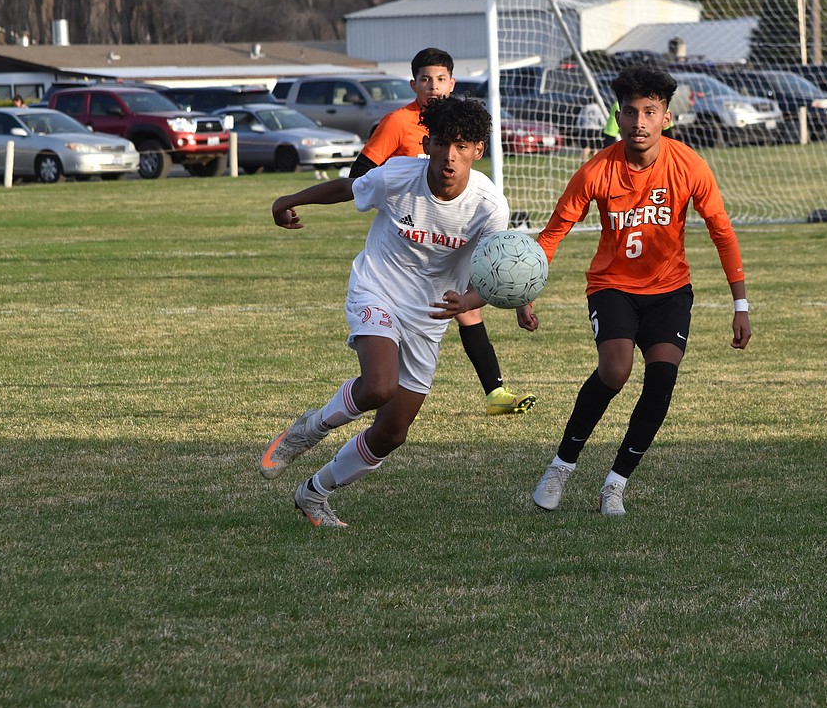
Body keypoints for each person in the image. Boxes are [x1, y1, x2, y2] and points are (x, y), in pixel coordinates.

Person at [260, 96, 510, 527]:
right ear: (428, 143)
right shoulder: (398, 175)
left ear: (477, 151)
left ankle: (314, 493)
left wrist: (471, 300)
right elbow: (347, 187)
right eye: (444, 143)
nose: (451, 156)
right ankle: (307, 430)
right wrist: (286, 199)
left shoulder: (489, 207)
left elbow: (495, 271)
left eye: (463, 145)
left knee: (392, 433)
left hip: (427, 316)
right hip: (377, 288)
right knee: (378, 386)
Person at [518, 66, 751, 516]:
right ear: (618, 117)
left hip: (670, 290)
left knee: (662, 378)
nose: (639, 121)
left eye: (650, 111)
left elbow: (722, 231)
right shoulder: (596, 171)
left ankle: (615, 484)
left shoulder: (690, 166)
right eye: (630, 112)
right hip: (613, 287)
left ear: (666, 116)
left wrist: (740, 304)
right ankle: (562, 466)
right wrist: (526, 290)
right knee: (616, 371)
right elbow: (552, 234)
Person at [348, 47, 535, 417]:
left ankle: (494, 391)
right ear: (413, 83)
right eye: (425, 79)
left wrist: (521, 297)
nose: (434, 86)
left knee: (467, 306)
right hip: (409, 235)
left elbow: (500, 255)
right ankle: (494, 390)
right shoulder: (398, 123)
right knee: (459, 310)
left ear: (453, 82)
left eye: (441, 78)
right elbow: (361, 172)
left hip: (449, 237)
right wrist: (387, 190)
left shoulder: (466, 129)